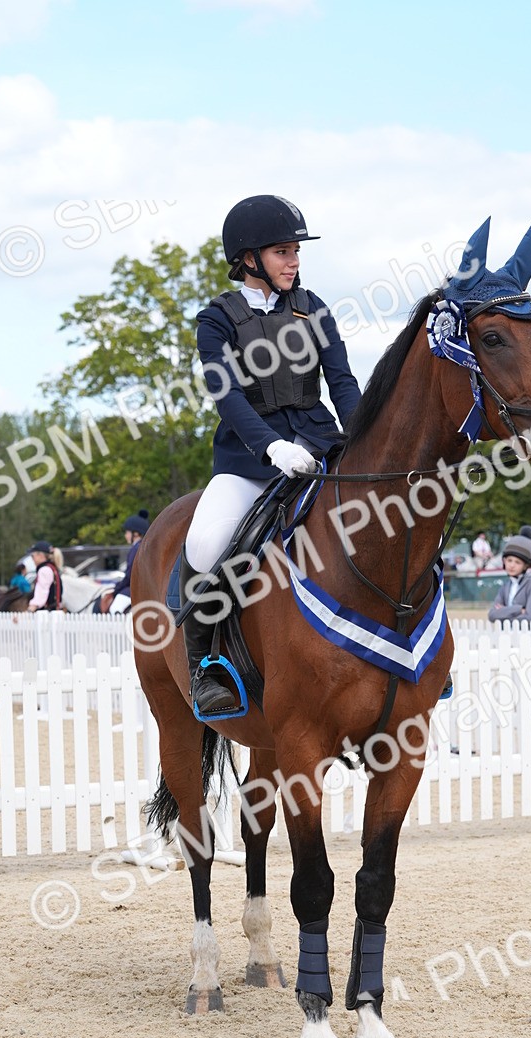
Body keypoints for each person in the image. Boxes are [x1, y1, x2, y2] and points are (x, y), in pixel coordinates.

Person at [182, 194, 362, 714]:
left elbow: (342, 383)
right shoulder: (217, 319)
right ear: (249, 257)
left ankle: (413, 648)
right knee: (205, 541)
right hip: (248, 459)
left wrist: (360, 436)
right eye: (284, 251)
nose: (295, 262)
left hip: (322, 444)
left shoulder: (315, 309)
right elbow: (228, 395)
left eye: (296, 252)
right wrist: (272, 447)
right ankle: (207, 670)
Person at [96, 510, 150, 614]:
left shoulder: (136, 549)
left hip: (135, 588)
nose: (126, 535)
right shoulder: (143, 547)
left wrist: (117, 588)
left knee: (115, 608)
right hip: (143, 586)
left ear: (135, 533)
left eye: (127, 532)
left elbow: (130, 575)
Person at [488, 526, 531, 623]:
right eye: (509, 560)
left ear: (525, 566)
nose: (512, 565)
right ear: (504, 561)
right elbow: (492, 615)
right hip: (511, 636)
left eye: (517, 562)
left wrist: (504, 613)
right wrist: (519, 610)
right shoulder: (505, 586)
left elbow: (530, 618)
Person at [26, 541, 63, 612]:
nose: (32, 559)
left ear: (40, 555)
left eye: (32, 556)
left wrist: (29, 611)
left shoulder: (44, 570)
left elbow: (41, 594)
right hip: (55, 613)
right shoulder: (52, 568)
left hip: (45, 615)